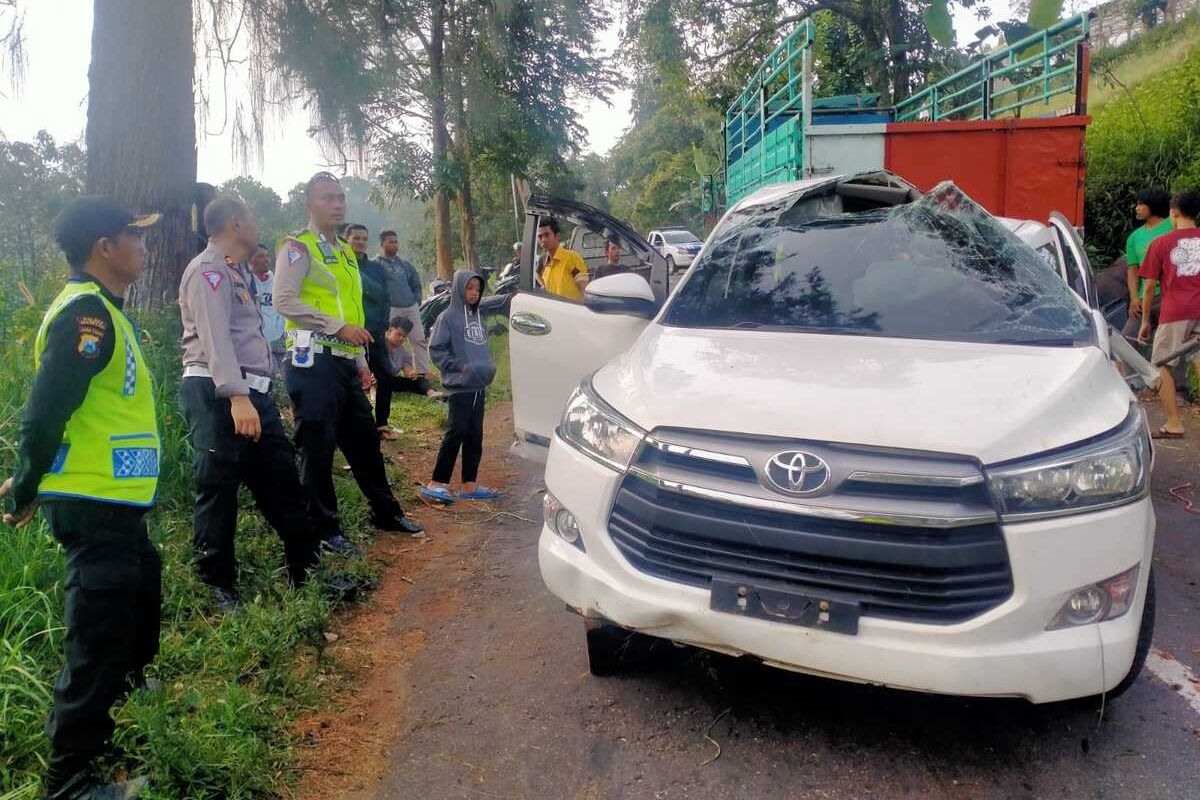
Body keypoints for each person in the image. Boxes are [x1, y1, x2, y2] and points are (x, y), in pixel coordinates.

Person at [0, 196, 162, 800]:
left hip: (115, 503)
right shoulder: (85, 317)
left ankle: (104, 733)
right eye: (134, 236)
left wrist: (30, 478)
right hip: (94, 506)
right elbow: (44, 411)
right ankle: (68, 782)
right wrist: (30, 481)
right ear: (105, 248)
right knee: (95, 637)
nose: (143, 246)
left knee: (137, 609)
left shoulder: (108, 314)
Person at [178, 195, 323, 613]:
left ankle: (306, 571)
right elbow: (215, 337)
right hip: (219, 392)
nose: (257, 224)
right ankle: (217, 586)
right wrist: (237, 396)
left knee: (281, 479)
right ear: (237, 224)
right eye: (253, 217)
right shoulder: (208, 271)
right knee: (218, 488)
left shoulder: (235, 270)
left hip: (252, 393)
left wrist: (253, 394)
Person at [273, 172, 423, 546]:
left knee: (365, 442)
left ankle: (385, 512)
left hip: (344, 361)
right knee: (318, 447)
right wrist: (336, 327)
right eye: (327, 198)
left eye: (340, 197)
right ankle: (323, 530)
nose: (337, 204)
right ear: (310, 205)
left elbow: (352, 312)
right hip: (312, 362)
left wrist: (359, 363)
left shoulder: (343, 252)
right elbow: (284, 300)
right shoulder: (297, 247)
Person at [420, 271, 510, 503]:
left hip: (478, 387)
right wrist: (458, 366)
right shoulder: (447, 317)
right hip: (460, 387)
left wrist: (488, 367)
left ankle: (469, 486)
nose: (474, 293)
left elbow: (481, 348)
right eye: (469, 288)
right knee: (455, 433)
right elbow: (437, 349)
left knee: (474, 436)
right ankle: (437, 483)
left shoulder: (478, 317)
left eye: (477, 290)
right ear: (460, 289)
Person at [1138, 190, 1200, 439]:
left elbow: (1150, 286)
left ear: (1173, 212)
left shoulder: (1161, 243)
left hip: (1175, 312)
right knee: (1198, 359)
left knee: (1161, 365)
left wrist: (1144, 321)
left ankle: (1174, 423)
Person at [344, 223, 396, 438]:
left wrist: (383, 324)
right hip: (348, 333)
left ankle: (381, 423)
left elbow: (385, 297)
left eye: (364, 238)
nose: (361, 242)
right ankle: (355, 427)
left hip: (374, 331)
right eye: (356, 238)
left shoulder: (375, 268)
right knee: (351, 379)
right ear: (346, 239)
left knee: (385, 375)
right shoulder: (342, 264)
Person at [377, 230, 429, 375]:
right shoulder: (376, 264)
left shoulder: (405, 265)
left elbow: (416, 283)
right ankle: (386, 371)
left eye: (396, 241)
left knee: (418, 339)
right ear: (382, 244)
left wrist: (416, 300)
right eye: (390, 241)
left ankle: (423, 373)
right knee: (387, 340)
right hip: (391, 308)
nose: (394, 244)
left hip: (410, 307)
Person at [1124, 188, 1173, 341]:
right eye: (1136, 204)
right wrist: (1134, 298)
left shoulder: (1172, 226)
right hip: (1144, 298)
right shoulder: (1134, 237)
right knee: (1128, 341)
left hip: (1169, 295)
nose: (1136, 208)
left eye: (1141, 204)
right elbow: (1133, 269)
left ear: (1154, 205)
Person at [383, 316, 443, 399]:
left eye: (404, 336)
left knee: (419, 379)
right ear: (390, 331)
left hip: (391, 380)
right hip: (376, 379)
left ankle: (431, 392)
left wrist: (411, 372)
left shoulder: (403, 351)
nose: (401, 338)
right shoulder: (379, 345)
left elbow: (406, 367)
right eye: (398, 334)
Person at [247, 243, 286, 370]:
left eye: (267, 256)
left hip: (279, 341)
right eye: (261, 256)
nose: (266, 260)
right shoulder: (245, 283)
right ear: (250, 259)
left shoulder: (278, 281)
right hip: (256, 344)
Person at [537, 216, 589, 301]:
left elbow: (584, 289)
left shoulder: (571, 258)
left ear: (557, 236)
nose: (543, 240)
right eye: (540, 236)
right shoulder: (546, 264)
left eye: (547, 235)